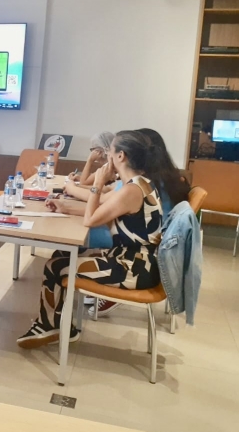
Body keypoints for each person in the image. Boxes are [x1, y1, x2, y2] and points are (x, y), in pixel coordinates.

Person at [18, 131, 164, 348]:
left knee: (55, 266)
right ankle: (58, 324)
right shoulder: (139, 183)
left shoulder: (132, 190)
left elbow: (90, 219)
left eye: (110, 151)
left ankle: (49, 325)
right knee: (62, 254)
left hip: (133, 269)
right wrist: (65, 207)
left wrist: (98, 183)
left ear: (121, 156)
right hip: (133, 261)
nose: (107, 156)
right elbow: (103, 213)